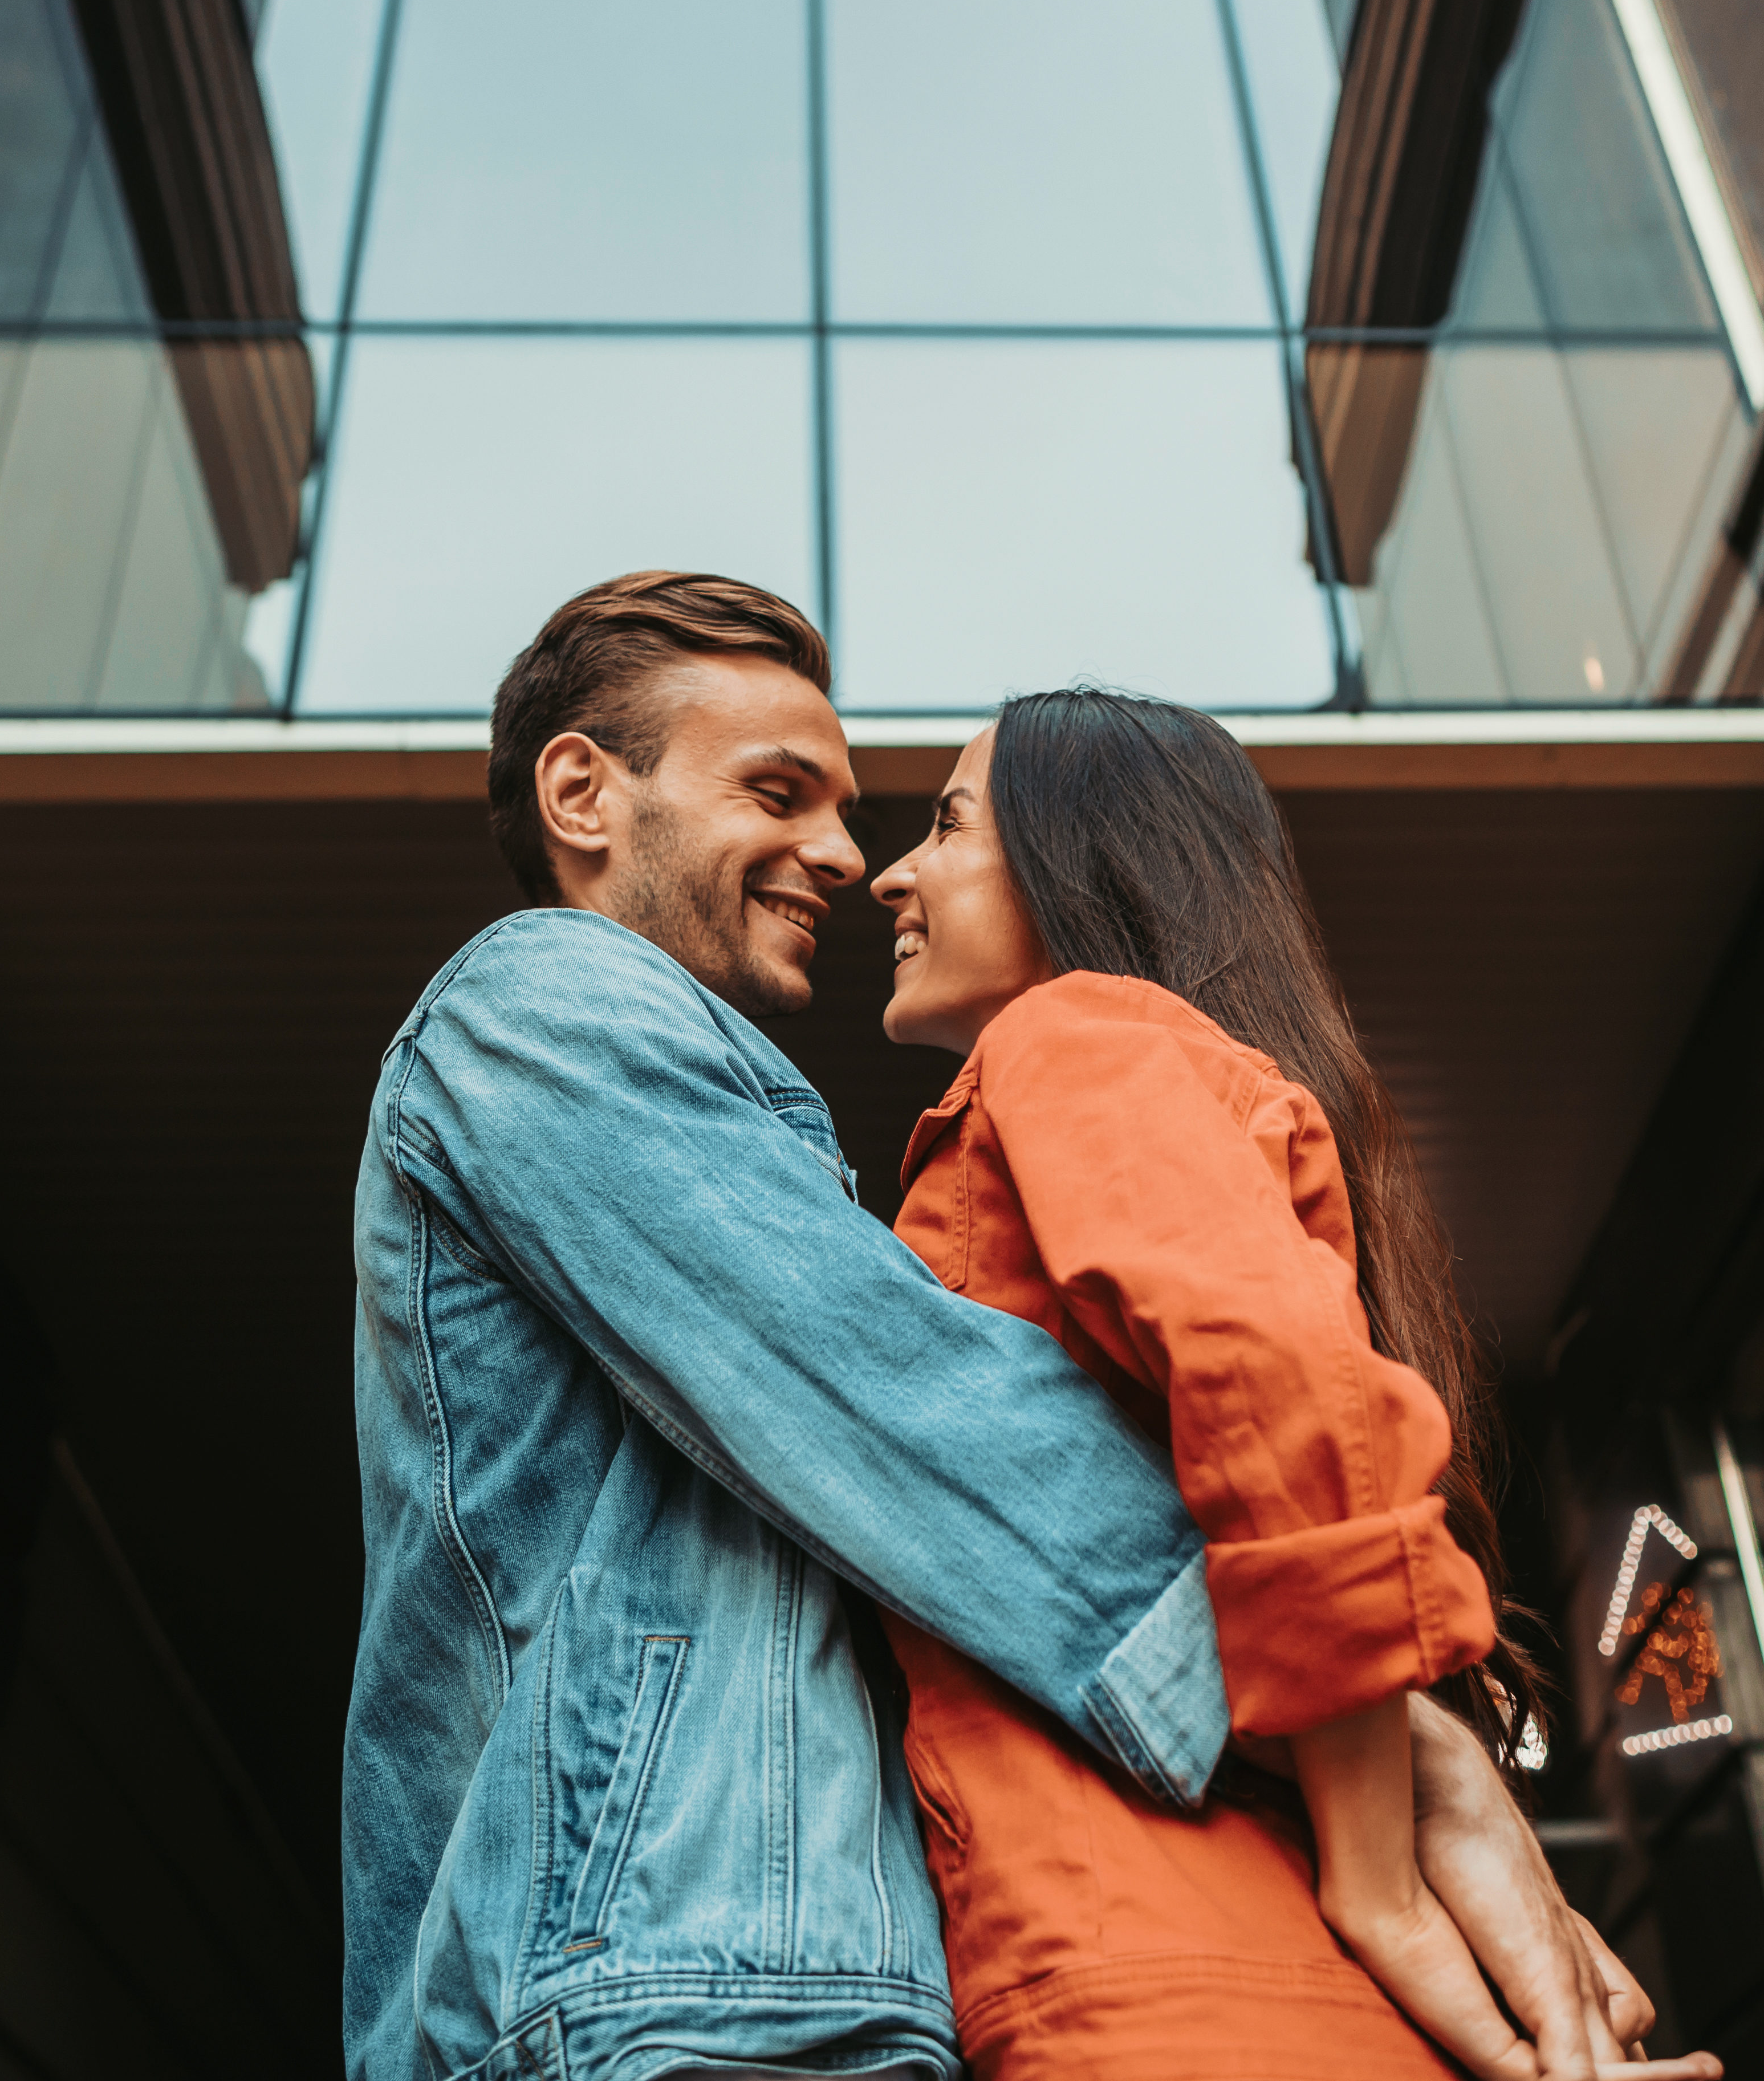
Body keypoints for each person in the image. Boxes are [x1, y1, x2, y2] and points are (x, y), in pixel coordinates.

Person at [348, 575, 1651, 2081]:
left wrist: (1364, 1711)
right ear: (584, 792)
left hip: (763, 1991)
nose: (849, 857)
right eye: (779, 790)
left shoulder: (1027, 1075)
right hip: (658, 2000)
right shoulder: (541, 999)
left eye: (895, 816)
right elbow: (901, 1405)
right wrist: (1367, 1725)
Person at [871, 689, 1726, 2081]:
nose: (894, 872)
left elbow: (1268, 1373)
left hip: (1168, 1981)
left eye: (951, 821)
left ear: (1081, 857)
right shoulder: (1159, 1074)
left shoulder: (1068, 1033)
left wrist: (1379, 1874)